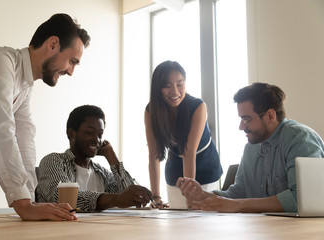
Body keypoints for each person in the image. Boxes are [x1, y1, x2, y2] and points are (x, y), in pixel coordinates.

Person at [0, 13, 91, 220]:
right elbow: (1, 132)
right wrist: (23, 204)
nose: (71, 72)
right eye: (72, 61)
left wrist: (33, 200)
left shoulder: (24, 86)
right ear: (52, 44)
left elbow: (24, 138)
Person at [177, 82, 324, 213]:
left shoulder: (300, 139)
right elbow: (237, 194)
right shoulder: (251, 147)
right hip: (266, 229)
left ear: (270, 116)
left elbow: (301, 198)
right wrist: (203, 195)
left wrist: (238, 205)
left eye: (246, 119)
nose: (241, 126)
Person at [36, 105, 153, 211]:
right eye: (89, 132)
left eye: (100, 135)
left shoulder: (102, 173)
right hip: (57, 231)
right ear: (71, 133)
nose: (96, 140)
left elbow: (130, 197)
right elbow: (61, 198)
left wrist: (111, 156)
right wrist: (115, 199)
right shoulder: (53, 161)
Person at [144, 60, 222, 208]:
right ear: (157, 88)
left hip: (204, 167)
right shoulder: (151, 111)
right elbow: (154, 154)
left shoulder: (198, 106)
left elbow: (189, 152)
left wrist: (190, 198)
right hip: (175, 167)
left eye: (180, 84)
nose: (175, 91)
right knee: (177, 221)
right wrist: (156, 196)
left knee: (199, 220)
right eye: (167, 86)